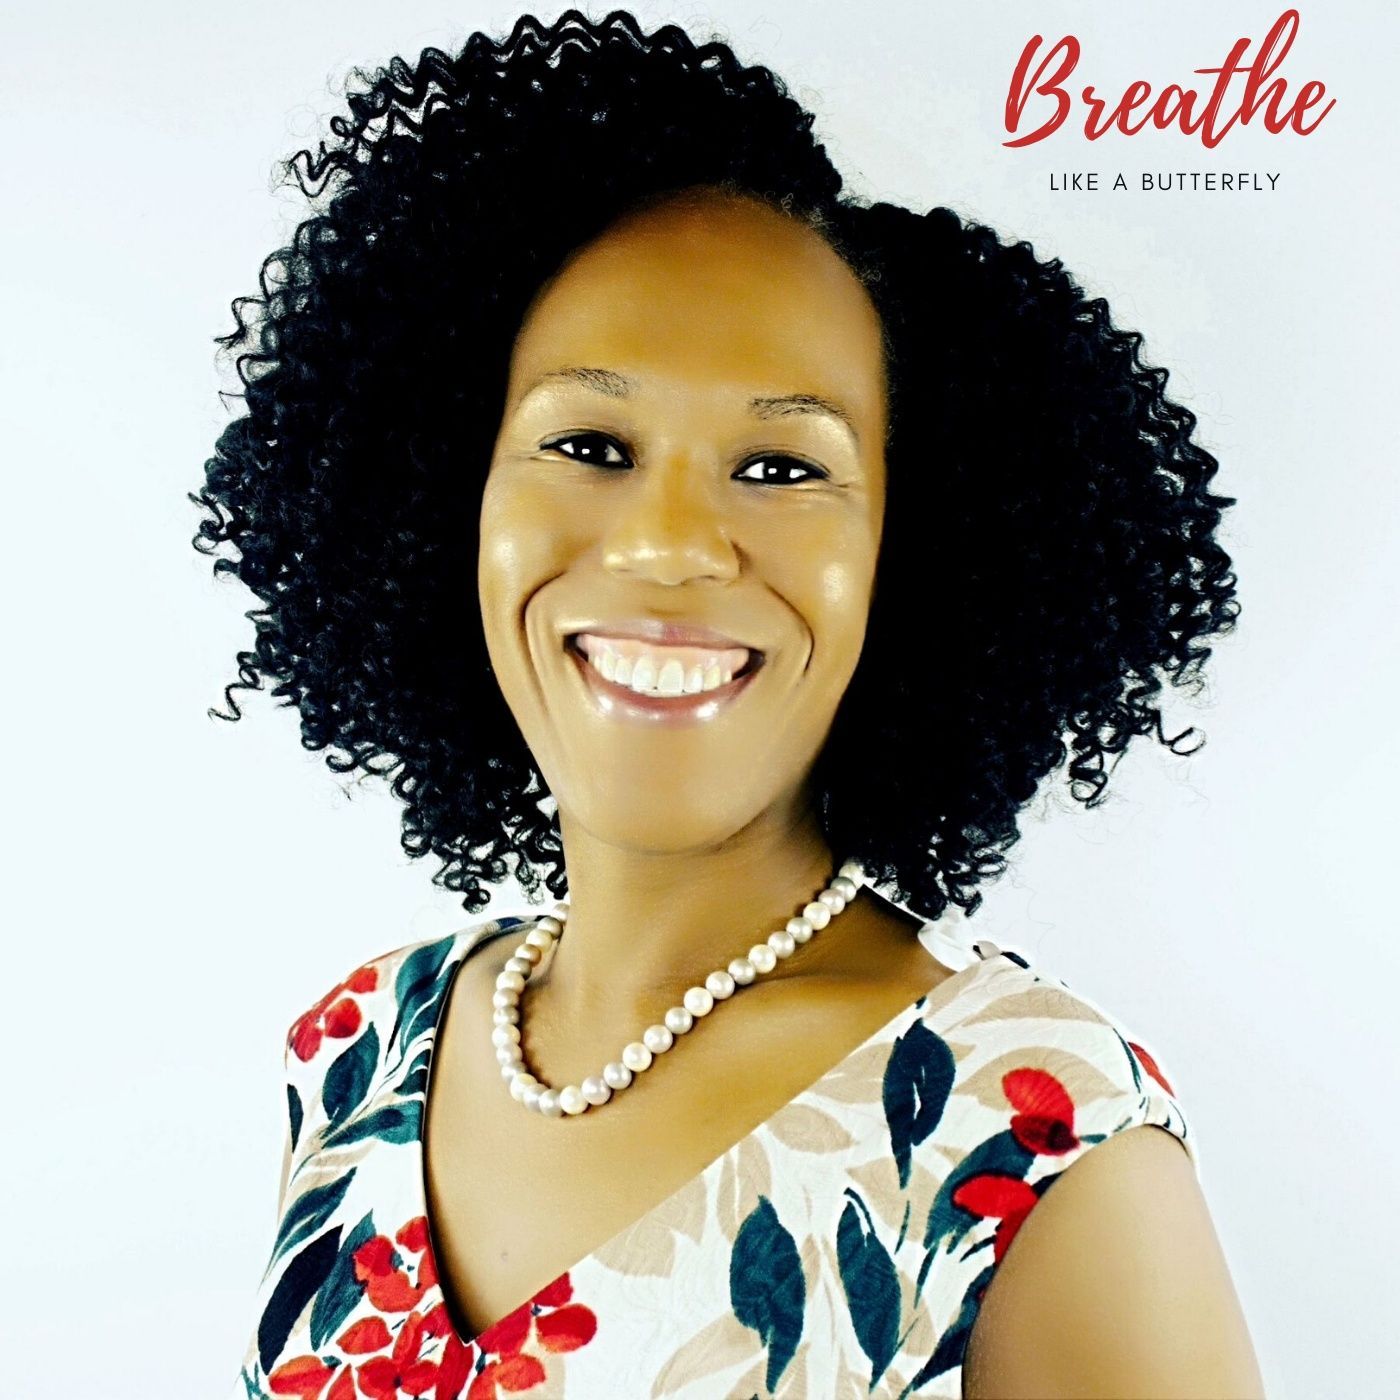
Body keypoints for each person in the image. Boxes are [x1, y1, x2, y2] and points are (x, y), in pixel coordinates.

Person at [199, 11, 1264, 1398]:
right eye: (591, 443)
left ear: (915, 553)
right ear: (447, 497)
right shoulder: (364, 1048)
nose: (669, 545)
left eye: (780, 467)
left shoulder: (1029, 1132)